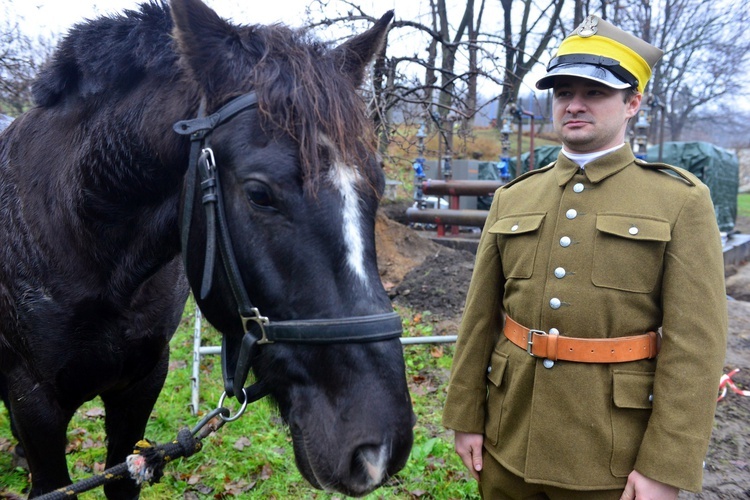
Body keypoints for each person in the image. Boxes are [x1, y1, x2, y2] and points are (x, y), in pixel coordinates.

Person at [442, 14, 727, 500]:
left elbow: (695, 347)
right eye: (563, 93)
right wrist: (466, 417)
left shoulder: (679, 201)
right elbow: (479, 320)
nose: (574, 105)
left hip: (610, 456)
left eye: (594, 93)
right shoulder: (514, 197)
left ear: (632, 102)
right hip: (507, 440)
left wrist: (666, 466)